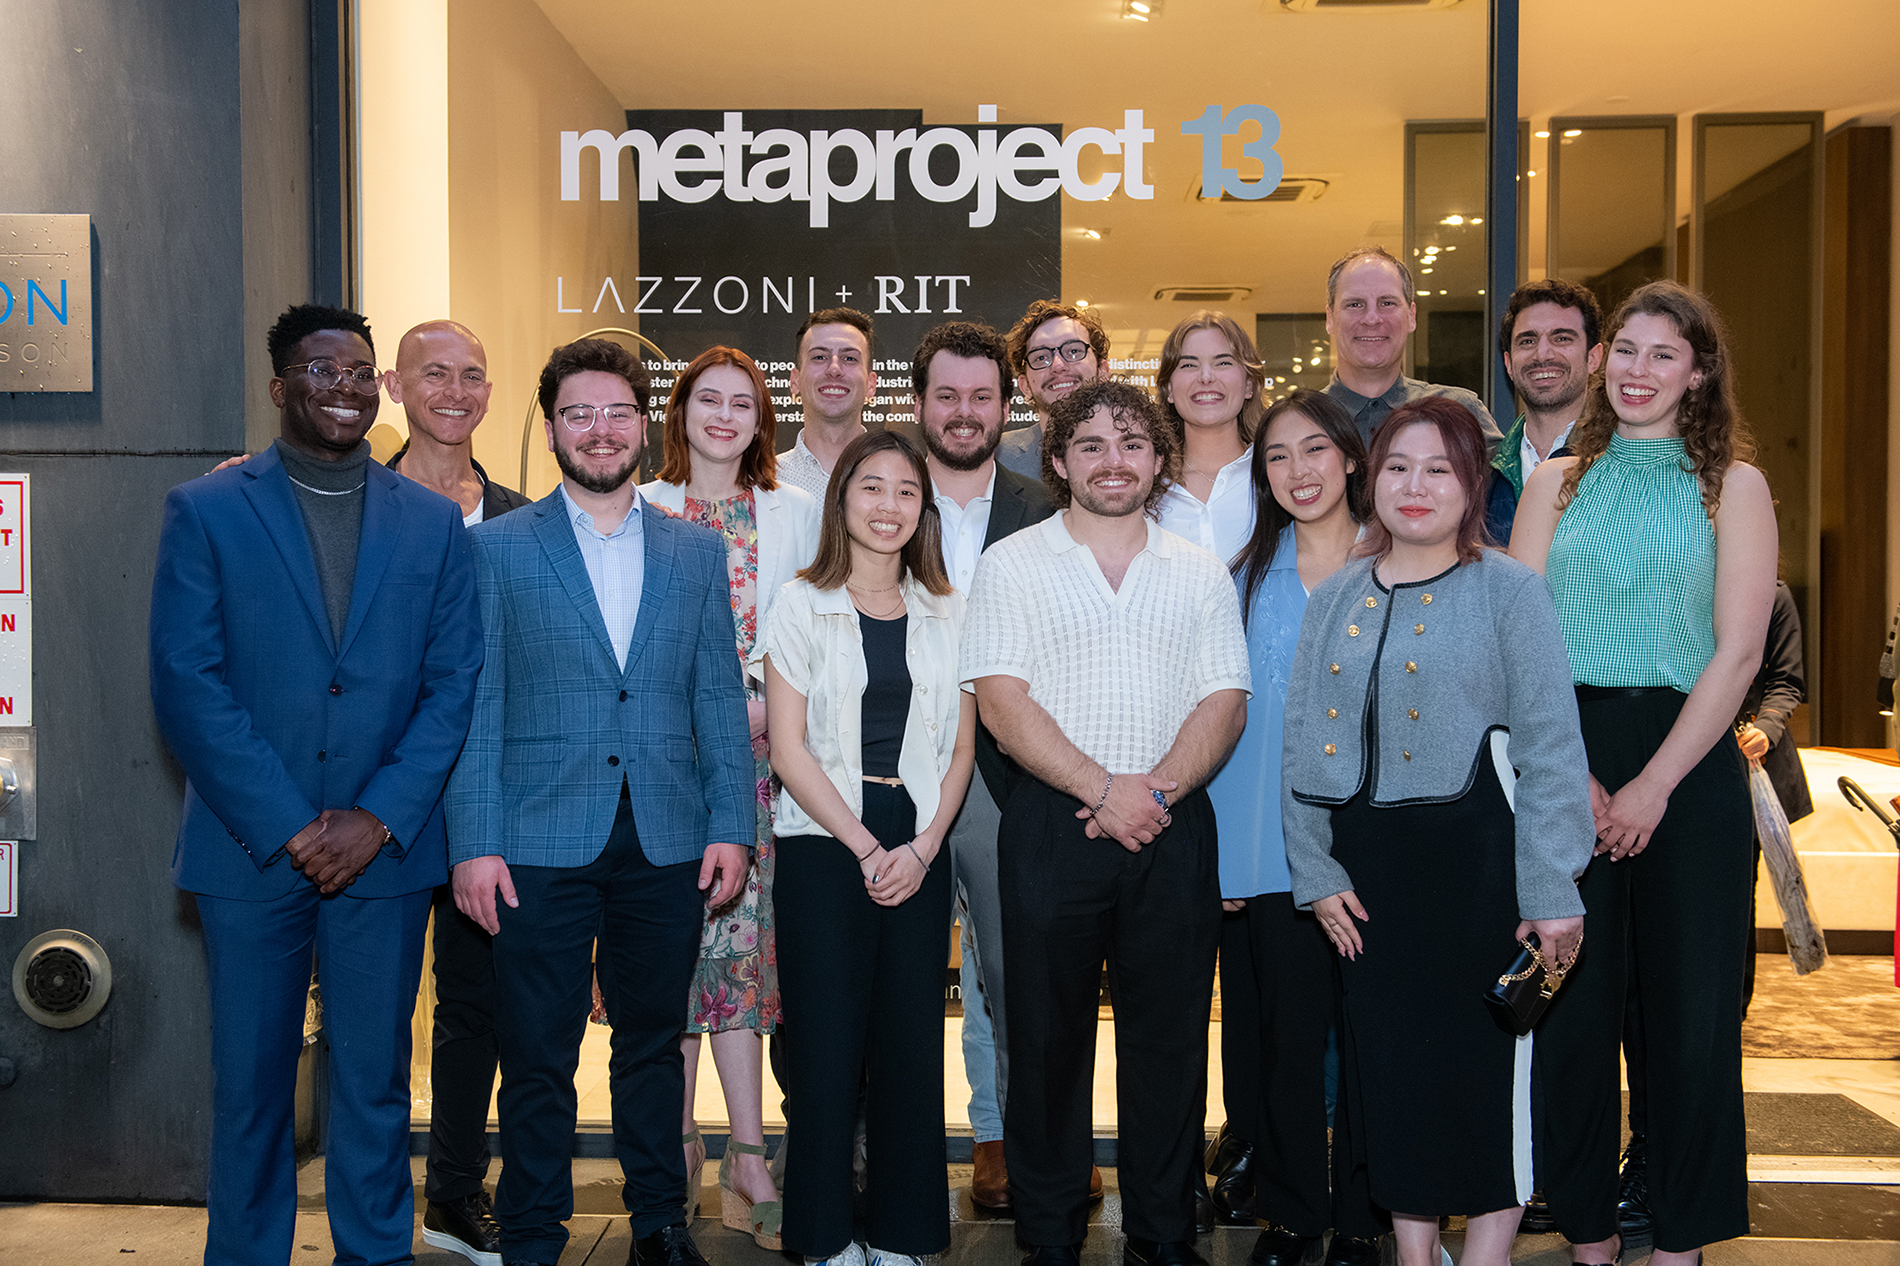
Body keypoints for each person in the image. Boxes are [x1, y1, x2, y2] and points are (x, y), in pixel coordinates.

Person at [149, 303, 484, 1266]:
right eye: (321, 370)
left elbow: (452, 683)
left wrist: (376, 819)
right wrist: (295, 826)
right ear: (280, 386)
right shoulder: (207, 508)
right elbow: (186, 683)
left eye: (358, 372)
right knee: (252, 1083)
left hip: (383, 855)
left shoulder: (432, 524)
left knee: (375, 1079)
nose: (343, 387)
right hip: (249, 849)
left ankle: (374, 1251)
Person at [446, 337, 756, 1266]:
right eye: (578, 413)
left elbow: (715, 694)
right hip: (535, 840)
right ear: (551, 430)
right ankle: (535, 1233)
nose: (600, 429)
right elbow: (478, 702)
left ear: (642, 423)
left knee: (653, 1048)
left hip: (665, 836)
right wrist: (473, 841)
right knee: (536, 1053)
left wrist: (731, 824)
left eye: (617, 411)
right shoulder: (494, 549)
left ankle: (661, 1223)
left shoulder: (695, 552)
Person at [1282, 395, 1595, 1266]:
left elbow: (1552, 750)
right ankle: (1415, 1253)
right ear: (1372, 479)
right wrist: (1313, 869)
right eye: (1397, 467)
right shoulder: (1335, 595)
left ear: (1471, 486)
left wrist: (1551, 888)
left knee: (1484, 1074)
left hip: (1480, 865)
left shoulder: (1511, 591)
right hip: (1364, 874)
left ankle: (1487, 1255)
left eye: (1439, 470)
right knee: (1392, 1071)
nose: (1415, 487)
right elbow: (1303, 741)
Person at [1510, 280, 1778, 1266]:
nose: (1636, 369)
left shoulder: (1731, 488)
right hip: (1565, 754)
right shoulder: (1556, 482)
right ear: (1599, 359)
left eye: (1663, 354)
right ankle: (1585, 1233)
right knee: (1571, 1016)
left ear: (1699, 372)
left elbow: (1740, 654)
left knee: (1691, 1021)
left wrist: (1654, 785)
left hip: (1691, 765)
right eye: (1624, 348)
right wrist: (1568, 772)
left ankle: (1680, 1240)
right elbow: (1524, 637)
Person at [963, 378, 1250, 1266]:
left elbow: (1225, 699)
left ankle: (1162, 1236)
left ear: (1159, 460)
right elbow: (1002, 703)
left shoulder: (1199, 570)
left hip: (1172, 828)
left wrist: (1154, 792)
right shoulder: (1012, 565)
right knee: (1046, 1044)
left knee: (1168, 1046)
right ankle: (1047, 1239)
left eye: (1131, 443)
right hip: (1053, 828)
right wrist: (1102, 788)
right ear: (1058, 461)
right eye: (1090, 445)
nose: (1113, 460)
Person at [756, 429, 977, 1266]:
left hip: (919, 840)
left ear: (923, 509)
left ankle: (902, 1229)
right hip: (824, 843)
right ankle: (819, 1235)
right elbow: (788, 748)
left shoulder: (949, 610)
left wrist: (920, 849)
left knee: (909, 1042)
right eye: (870, 489)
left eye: (905, 492)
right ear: (841, 500)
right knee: (825, 1046)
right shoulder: (798, 603)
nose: (888, 508)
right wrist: (861, 844)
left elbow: (960, 750)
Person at [638, 345, 820, 1249]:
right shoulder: (640, 507)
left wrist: (767, 705)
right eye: (706, 399)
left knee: (742, 964)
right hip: (666, 770)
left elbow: (820, 629)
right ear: (680, 413)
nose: (723, 414)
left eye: (741, 402)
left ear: (761, 418)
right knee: (670, 959)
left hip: (763, 770)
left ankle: (749, 1157)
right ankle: (676, 1149)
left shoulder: (794, 511)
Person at [1206, 389, 1388, 1266]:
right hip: (1269, 852)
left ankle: (1363, 1216)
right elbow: (1233, 728)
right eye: (1277, 458)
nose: (1298, 472)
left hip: (1381, 847)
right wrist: (1232, 865)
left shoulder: (1403, 562)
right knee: (1280, 1044)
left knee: (1368, 1041)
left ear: (1351, 457)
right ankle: (1292, 1214)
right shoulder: (1240, 579)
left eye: (1314, 450)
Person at [373, 319, 533, 1266]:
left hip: (494, 798)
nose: (456, 390)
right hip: (386, 802)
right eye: (435, 373)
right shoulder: (357, 496)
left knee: (482, 1005)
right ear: (397, 386)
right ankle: (372, 1197)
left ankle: (454, 1195)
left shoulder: (520, 514)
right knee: (382, 1011)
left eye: (473, 374)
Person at [910, 319, 1060, 1211]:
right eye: (947, 396)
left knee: (1015, 976)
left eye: (981, 397)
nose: (964, 413)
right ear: (919, 403)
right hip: (895, 777)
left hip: (1012, 777)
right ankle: (897, 1153)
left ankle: (1021, 1144)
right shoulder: (879, 495)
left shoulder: (1045, 505)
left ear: (1006, 407)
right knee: (902, 982)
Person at [1149, 309, 1263, 1228]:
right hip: (1159, 747)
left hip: (1259, 744)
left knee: (1266, 980)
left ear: (1249, 376)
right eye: (1189, 364)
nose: (1207, 379)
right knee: (1173, 985)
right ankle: (1172, 1169)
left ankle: (1259, 1151)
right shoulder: (1140, 483)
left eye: (1224, 362)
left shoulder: (1277, 474)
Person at [1321, 245, 1502, 453]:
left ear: (1411, 316)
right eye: (1354, 305)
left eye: (1387, 303)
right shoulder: (1300, 422)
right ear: (1330, 318)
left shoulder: (1459, 413)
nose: (1371, 319)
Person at [1484, 280, 1604, 545]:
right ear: (1508, 364)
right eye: (1527, 341)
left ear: (1593, 358)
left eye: (1562, 338)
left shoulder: (1617, 461)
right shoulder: (1483, 475)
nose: (1543, 354)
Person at [995, 300, 1111, 480]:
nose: (1058, 365)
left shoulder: (1136, 454)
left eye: (1073, 351)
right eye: (1041, 357)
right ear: (1025, 386)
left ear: (1102, 371)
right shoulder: (997, 458)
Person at [778, 309, 878, 498]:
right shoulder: (765, 482)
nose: (834, 369)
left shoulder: (899, 479)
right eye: (819, 357)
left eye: (849, 358)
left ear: (871, 384)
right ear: (794, 380)